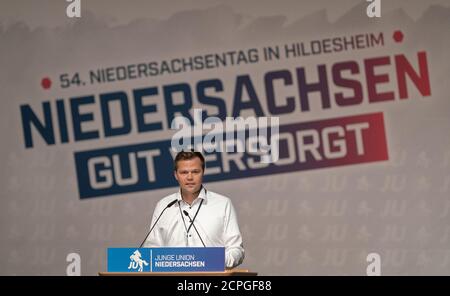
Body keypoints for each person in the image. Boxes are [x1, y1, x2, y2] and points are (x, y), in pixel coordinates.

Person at [143, 151, 245, 269]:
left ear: (203, 172)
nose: (190, 177)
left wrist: (214, 261)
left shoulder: (223, 204)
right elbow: (151, 250)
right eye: (184, 172)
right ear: (176, 175)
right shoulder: (164, 206)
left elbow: (236, 250)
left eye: (195, 172)